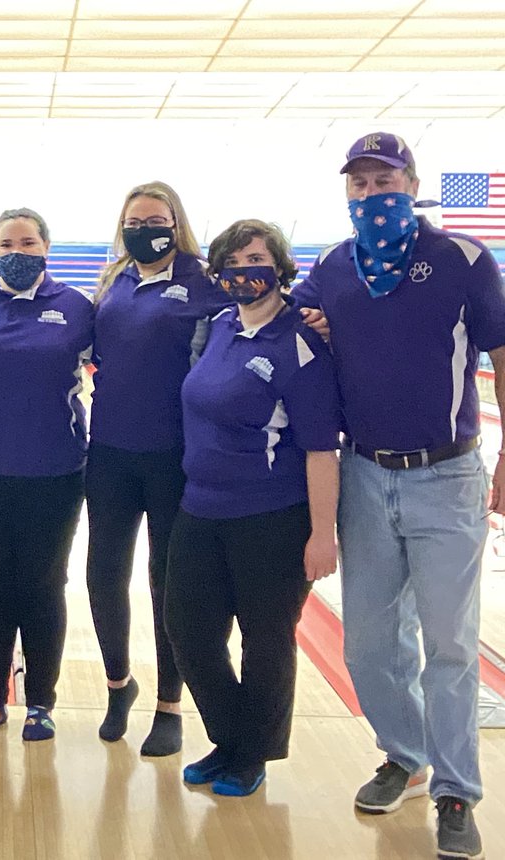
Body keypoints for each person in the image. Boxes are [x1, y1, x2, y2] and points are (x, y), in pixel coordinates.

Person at [294, 132, 505, 860]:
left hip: (448, 475)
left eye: (383, 179)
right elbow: (289, 320)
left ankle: (455, 791)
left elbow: (502, 354)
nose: (370, 193)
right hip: (364, 472)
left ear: (411, 183)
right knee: (370, 644)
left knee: (450, 642)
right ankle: (404, 754)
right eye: (358, 183)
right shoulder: (330, 267)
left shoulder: (464, 260)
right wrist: (310, 320)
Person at [164, 219, 341, 798]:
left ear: (281, 268)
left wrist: (322, 535)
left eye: (258, 257)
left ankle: (252, 755)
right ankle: (233, 737)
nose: (247, 269)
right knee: (187, 628)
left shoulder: (300, 341)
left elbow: (320, 449)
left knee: (265, 639)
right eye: (235, 260)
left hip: (271, 515)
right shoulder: (218, 326)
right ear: (219, 273)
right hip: (200, 508)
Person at [87, 181, 230, 756]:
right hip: (110, 454)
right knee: (103, 575)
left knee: (166, 583)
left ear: (176, 221)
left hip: (175, 458)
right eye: (134, 220)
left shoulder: (205, 282)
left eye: (155, 218)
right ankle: (119, 683)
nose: (144, 228)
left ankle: (170, 703)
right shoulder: (112, 282)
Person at [0, 208, 93, 742]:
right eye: (7, 242)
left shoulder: (76, 308)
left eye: (28, 242)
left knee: (43, 584)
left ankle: (41, 703)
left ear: (46, 249)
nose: (17, 251)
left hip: (53, 471)